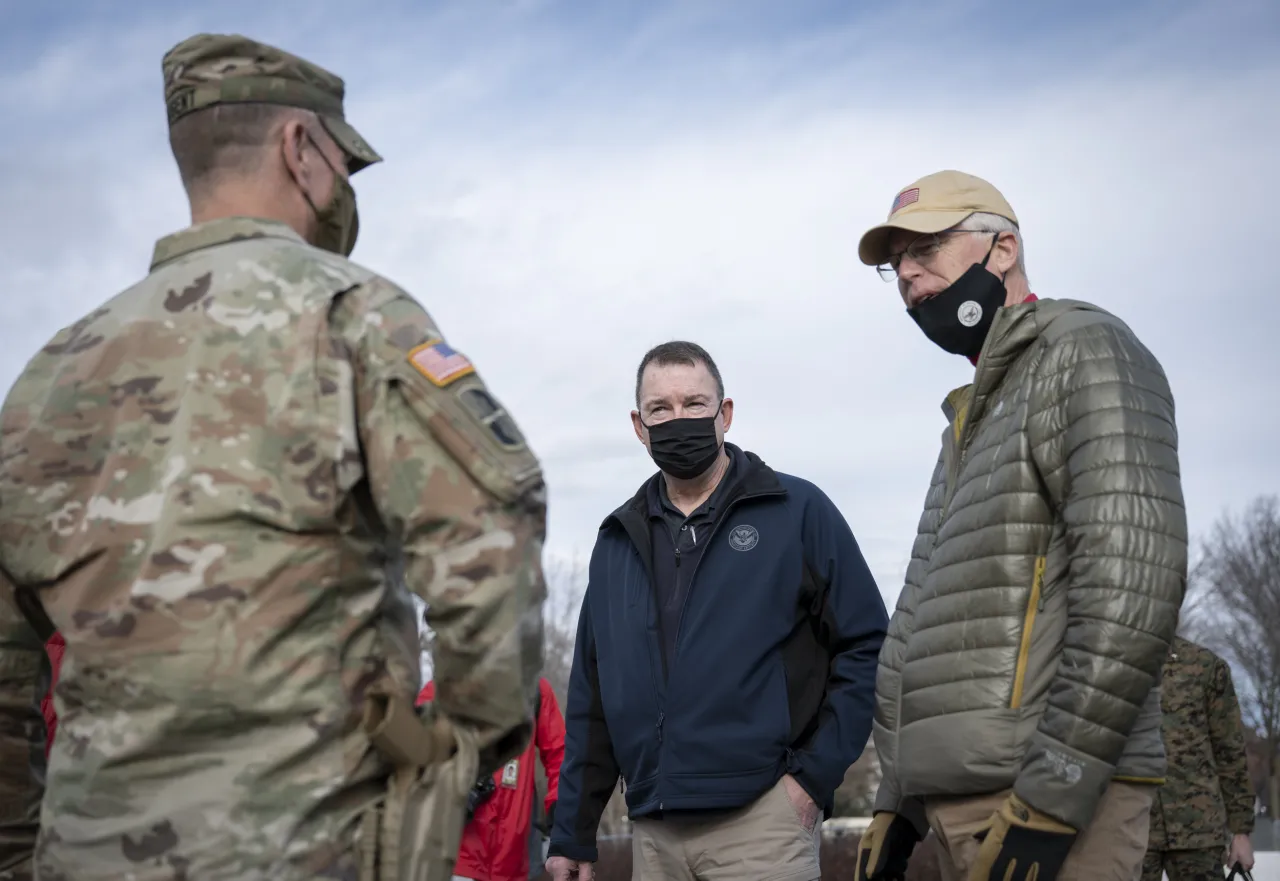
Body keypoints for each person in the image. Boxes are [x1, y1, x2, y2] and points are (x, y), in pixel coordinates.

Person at [0, 32, 547, 880]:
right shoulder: (355, 316)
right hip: (311, 850)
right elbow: (492, 530)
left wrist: (17, 853)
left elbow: (5, 671)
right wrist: (449, 761)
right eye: (342, 163)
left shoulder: (49, 376)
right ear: (301, 150)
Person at [852, 170, 1187, 881]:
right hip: (956, 802)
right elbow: (923, 621)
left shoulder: (1085, 350)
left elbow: (1132, 587)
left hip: (1050, 802)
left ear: (1002, 249)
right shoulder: (972, 411)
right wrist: (896, 799)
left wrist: (1055, 792)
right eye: (896, 266)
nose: (910, 277)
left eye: (927, 248)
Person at [546, 341, 890, 881]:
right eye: (660, 409)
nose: (676, 419)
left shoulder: (796, 512)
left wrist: (811, 780)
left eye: (693, 404)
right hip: (653, 837)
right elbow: (592, 696)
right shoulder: (616, 543)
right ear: (639, 425)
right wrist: (573, 831)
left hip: (762, 823)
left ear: (724, 415)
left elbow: (867, 644)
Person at [419, 676, 565, 881]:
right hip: (457, 858)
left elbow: (560, 756)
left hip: (515, 860)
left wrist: (562, 815)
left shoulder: (535, 689)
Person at [1142, 636, 1256, 881]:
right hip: (1129, 830)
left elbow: (1230, 751)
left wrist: (1240, 831)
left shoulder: (1205, 666)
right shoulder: (1111, 663)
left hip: (1198, 832)